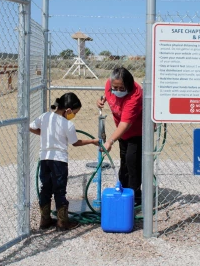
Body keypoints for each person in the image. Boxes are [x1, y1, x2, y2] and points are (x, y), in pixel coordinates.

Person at [29, 92, 99, 231]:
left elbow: (31, 127)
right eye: (74, 112)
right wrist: (92, 141)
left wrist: (44, 133)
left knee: (45, 188)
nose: (74, 115)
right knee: (59, 190)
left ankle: (45, 220)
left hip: (45, 159)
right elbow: (75, 142)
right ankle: (62, 222)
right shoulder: (68, 124)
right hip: (59, 161)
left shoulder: (45, 116)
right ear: (68, 110)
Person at [97, 67, 143, 206]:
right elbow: (107, 94)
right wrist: (102, 99)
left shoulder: (135, 95)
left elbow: (125, 124)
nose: (117, 90)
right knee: (124, 161)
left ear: (128, 85)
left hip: (136, 131)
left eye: (121, 88)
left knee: (132, 162)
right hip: (122, 132)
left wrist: (110, 141)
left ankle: (135, 198)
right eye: (114, 88)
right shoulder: (110, 84)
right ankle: (123, 191)